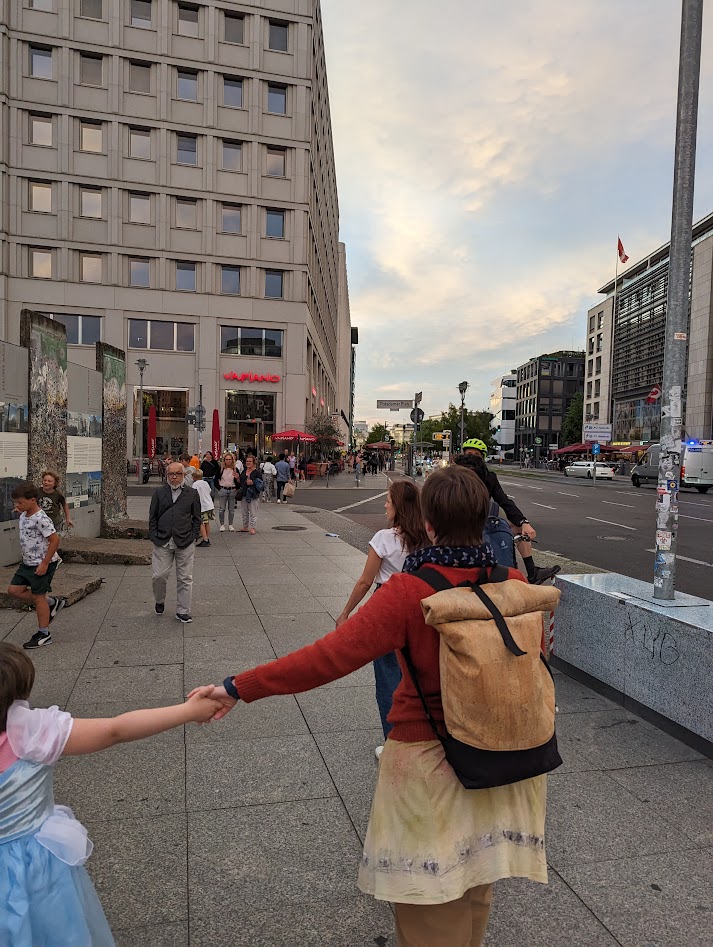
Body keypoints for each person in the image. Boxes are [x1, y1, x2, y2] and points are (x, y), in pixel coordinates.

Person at [193, 467, 550, 947]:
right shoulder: (511, 581)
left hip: (429, 770)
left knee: (429, 908)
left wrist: (240, 686)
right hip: (501, 762)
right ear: (485, 517)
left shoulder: (409, 591)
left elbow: (327, 658)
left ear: (428, 524)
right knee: (474, 895)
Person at [0, 641, 221, 946]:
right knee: (50, 930)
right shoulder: (30, 731)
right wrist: (188, 710)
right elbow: (115, 730)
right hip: (33, 866)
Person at [336, 481, 428, 757]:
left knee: (389, 677)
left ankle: (394, 743)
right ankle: (422, 738)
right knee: (419, 677)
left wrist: (345, 613)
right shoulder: (427, 538)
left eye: (388, 500)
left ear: (398, 506)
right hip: (421, 609)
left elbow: (365, 581)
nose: (385, 504)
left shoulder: (384, 538)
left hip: (387, 609)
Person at [458, 439, 559, 584]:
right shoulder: (454, 476)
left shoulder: (489, 477)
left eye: (476, 455)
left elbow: (504, 501)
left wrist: (523, 522)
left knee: (516, 528)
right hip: (458, 523)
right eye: (469, 454)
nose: (472, 458)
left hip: (482, 521)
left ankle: (532, 572)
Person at [8, 482, 65, 650]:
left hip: (41, 564)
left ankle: (44, 633)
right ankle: (51, 603)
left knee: (38, 598)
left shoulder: (41, 518)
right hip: (27, 563)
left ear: (32, 500)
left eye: (19, 503)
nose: (16, 506)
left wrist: (45, 563)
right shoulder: (24, 514)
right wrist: (20, 510)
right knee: (14, 590)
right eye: (15, 503)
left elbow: (55, 540)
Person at [148, 461, 201, 623]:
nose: (174, 477)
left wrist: (193, 535)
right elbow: (153, 517)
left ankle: (182, 611)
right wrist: (154, 535)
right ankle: (160, 599)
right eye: (171, 474)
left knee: (185, 578)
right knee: (159, 576)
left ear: (184, 475)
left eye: (178, 474)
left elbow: (197, 518)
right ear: (167, 475)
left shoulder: (192, 494)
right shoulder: (159, 493)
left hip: (185, 540)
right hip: (162, 540)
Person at [238, 455, 264, 535]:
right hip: (244, 494)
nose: (248, 463)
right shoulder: (244, 471)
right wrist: (237, 478)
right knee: (244, 512)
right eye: (247, 461)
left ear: (253, 463)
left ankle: (253, 527)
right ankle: (245, 526)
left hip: (253, 495)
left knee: (253, 512)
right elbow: (241, 482)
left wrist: (253, 482)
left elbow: (261, 485)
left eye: (250, 461)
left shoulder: (257, 473)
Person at [215, 453, 241, 531]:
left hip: (232, 490)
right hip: (223, 489)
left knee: (231, 509)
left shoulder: (235, 469)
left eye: (230, 459)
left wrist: (237, 485)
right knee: (222, 509)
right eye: (227, 459)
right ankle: (222, 524)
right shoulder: (221, 469)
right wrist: (219, 488)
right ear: (224, 460)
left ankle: (230, 524)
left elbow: (239, 481)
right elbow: (215, 479)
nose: (228, 461)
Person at [192, 469, 214, 547]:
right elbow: (209, 491)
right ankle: (207, 537)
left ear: (194, 477)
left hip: (202, 506)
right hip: (209, 504)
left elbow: (194, 495)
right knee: (207, 522)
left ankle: (205, 539)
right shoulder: (205, 483)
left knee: (200, 522)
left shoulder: (195, 484)